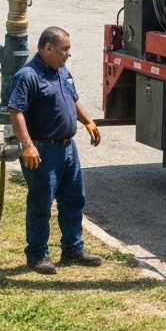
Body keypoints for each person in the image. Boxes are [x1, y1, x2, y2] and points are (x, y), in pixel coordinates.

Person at [7, 26, 102, 275]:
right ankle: (38, 254)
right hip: (42, 151)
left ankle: (73, 248)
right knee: (41, 203)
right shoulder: (27, 75)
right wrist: (27, 146)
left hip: (68, 149)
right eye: (65, 49)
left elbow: (73, 98)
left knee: (74, 200)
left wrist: (88, 121)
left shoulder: (61, 71)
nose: (68, 54)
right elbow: (15, 111)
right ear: (48, 48)